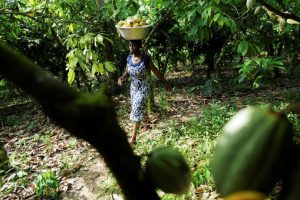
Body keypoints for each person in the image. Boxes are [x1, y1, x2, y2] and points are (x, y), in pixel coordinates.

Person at [118, 40, 171, 145]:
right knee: (138, 106)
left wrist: (165, 83)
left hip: (143, 87)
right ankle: (147, 123)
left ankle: (133, 138)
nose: (131, 47)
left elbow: (157, 72)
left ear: (138, 47)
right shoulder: (129, 58)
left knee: (136, 108)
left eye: (133, 46)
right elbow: (126, 72)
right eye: (130, 46)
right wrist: (122, 78)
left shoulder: (145, 59)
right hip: (133, 88)